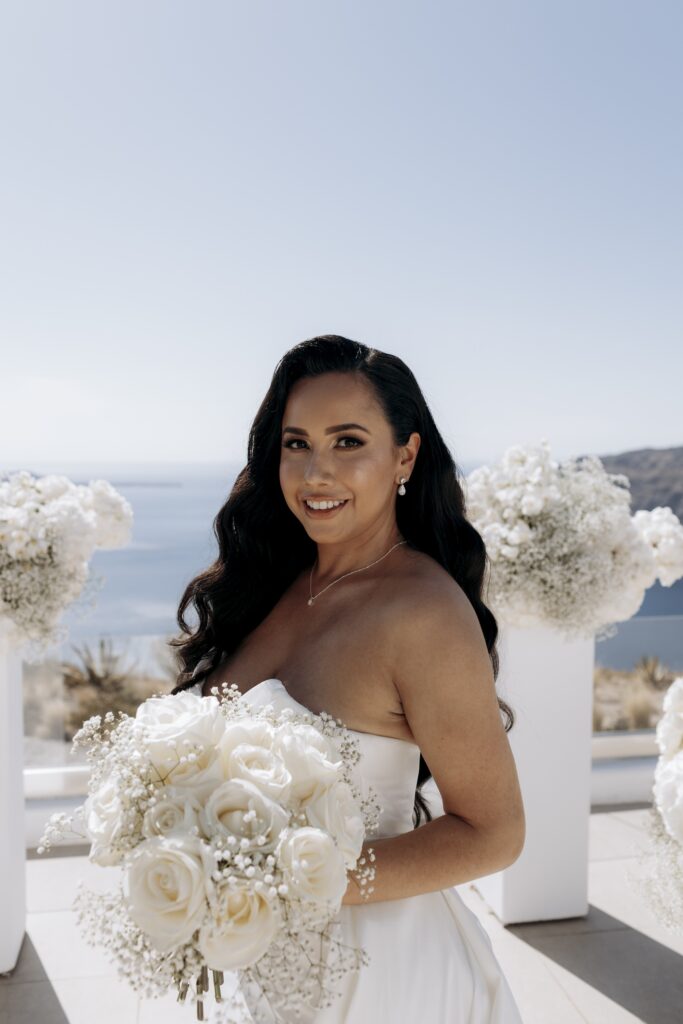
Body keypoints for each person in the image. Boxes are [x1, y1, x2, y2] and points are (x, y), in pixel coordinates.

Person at [170, 334, 526, 1022]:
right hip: (262, 959)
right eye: (295, 443)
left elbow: (493, 833)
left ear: (405, 456)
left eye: (348, 442)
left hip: (378, 979)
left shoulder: (422, 613)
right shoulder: (280, 582)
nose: (314, 473)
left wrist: (294, 883)